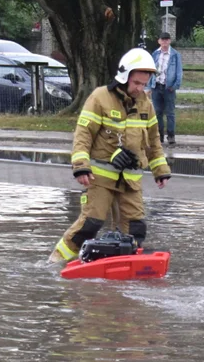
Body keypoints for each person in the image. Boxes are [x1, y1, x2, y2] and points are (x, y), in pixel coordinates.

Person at [49, 48, 172, 263]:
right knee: (90, 225)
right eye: (136, 83)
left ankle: (120, 267)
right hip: (100, 178)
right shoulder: (100, 98)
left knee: (135, 230)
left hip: (130, 181)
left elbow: (153, 141)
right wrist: (81, 166)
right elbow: (83, 134)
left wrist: (160, 170)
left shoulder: (146, 104)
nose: (140, 88)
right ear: (124, 76)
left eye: (144, 84)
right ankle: (56, 263)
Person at [147, 32, 183, 146]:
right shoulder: (155, 54)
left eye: (167, 40)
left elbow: (179, 71)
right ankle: (159, 136)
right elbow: (151, 70)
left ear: (169, 41)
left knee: (170, 113)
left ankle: (171, 136)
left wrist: (175, 86)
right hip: (157, 86)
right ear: (159, 41)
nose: (165, 42)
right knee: (157, 112)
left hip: (169, 88)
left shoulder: (175, 55)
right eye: (163, 40)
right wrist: (149, 86)